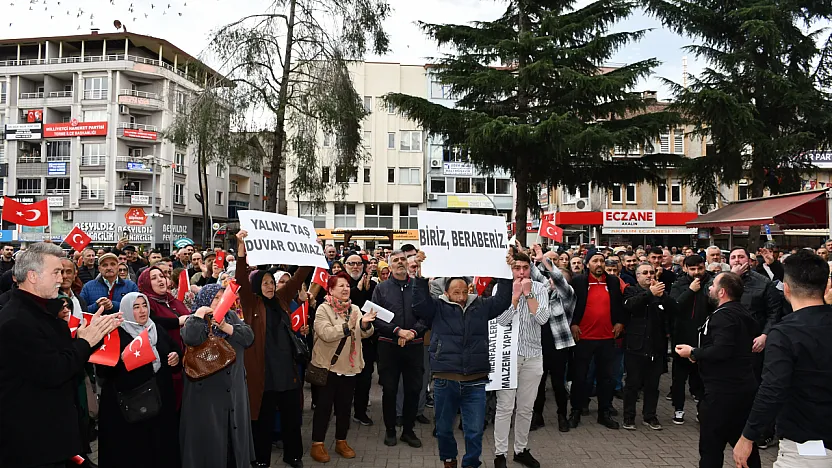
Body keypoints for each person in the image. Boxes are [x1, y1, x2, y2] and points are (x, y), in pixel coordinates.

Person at [0, 243, 121, 468]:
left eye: (65, 271)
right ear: (32, 276)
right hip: (33, 445)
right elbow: (54, 370)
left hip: (55, 439)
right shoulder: (16, 321)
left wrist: (82, 339)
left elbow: (61, 356)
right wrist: (86, 342)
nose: (61, 278)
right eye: (56, 272)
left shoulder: (44, 311)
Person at [411, 251, 513, 468]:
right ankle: (449, 458)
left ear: (469, 289)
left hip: (475, 380)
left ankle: (471, 463)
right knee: (444, 428)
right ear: (446, 293)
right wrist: (419, 277)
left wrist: (506, 273)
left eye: (463, 291)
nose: (460, 295)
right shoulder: (437, 308)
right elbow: (419, 305)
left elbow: (503, 301)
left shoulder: (482, 306)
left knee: (474, 430)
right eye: (455, 291)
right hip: (445, 379)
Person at [734, 250, 832, 467]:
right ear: (826, 287)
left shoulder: (784, 333)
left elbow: (772, 389)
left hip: (805, 446)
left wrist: (747, 436)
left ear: (786, 289)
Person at [235, 230, 310, 468]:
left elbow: (299, 276)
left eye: (272, 282)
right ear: (258, 285)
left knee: (290, 417)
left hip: (286, 369)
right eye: (265, 283)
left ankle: (293, 456)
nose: (270, 286)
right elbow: (240, 278)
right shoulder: (250, 302)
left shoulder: (281, 298)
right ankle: (261, 459)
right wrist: (241, 249)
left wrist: (312, 249)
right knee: (263, 419)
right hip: (263, 372)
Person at [675, 272, 761, 468]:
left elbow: (722, 350)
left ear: (722, 292)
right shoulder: (741, 313)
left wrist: (694, 352)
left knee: (711, 449)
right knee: (743, 444)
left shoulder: (724, 317)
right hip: (741, 389)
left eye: (713, 285)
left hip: (722, 393)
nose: (710, 288)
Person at [97, 292, 181, 468]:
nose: (142, 311)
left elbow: (173, 349)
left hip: (159, 402)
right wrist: (121, 360)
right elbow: (103, 371)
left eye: (144, 306)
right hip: (132, 407)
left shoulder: (156, 328)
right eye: (136, 307)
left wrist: (176, 357)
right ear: (126, 310)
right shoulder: (115, 333)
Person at [180, 283, 256, 468]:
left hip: (233, 392)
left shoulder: (230, 317)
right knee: (210, 445)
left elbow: (248, 337)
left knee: (233, 441)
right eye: (215, 298)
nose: (220, 302)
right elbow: (191, 338)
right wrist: (199, 316)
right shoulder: (195, 319)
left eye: (223, 298)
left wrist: (226, 326)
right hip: (205, 395)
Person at [309, 272, 377, 463]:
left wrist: (364, 325)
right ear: (330, 290)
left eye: (347, 285)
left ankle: (341, 441)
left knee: (345, 407)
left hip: (350, 366)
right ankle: (317, 444)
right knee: (324, 408)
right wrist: (348, 326)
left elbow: (365, 334)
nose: (346, 289)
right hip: (327, 366)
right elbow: (326, 333)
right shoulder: (323, 309)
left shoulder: (354, 308)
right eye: (341, 286)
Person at [492, 251, 551, 468]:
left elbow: (543, 319)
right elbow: (500, 322)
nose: (521, 272)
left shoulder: (540, 288)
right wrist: (515, 298)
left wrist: (528, 295)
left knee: (526, 407)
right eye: (517, 268)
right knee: (505, 406)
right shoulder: (502, 288)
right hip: (509, 354)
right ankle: (500, 453)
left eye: (525, 268)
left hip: (534, 354)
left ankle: (520, 449)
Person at [371, 249, 429, 448]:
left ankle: (408, 430)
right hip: (389, 346)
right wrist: (397, 331)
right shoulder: (381, 289)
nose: (400, 262)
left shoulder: (418, 287)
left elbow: (427, 314)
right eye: (395, 260)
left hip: (413, 346)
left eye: (403, 259)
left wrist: (413, 331)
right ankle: (389, 430)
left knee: (413, 389)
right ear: (389, 265)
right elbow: (375, 317)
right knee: (389, 389)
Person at [728, 246, 784, 448]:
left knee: (759, 388)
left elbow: (774, 312)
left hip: (755, 344)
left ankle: (763, 432)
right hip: (729, 344)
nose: (736, 260)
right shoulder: (721, 280)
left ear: (750, 261)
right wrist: (730, 278)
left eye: (740, 256)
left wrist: (765, 335)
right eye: (733, 257)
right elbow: (712, 302)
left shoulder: (763, 283)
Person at [568, 250, 625, 430]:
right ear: (587, 264)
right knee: (580, 378)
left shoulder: (614, 281)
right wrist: (573, 324)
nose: (599, 264)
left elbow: (621, 304)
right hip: (583, 337)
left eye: (601, 261)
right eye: (595, 261)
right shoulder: (578, 282)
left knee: (606, 378)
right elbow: (569, 304)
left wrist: (620, 322)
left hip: (607, 337)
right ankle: (576, 411)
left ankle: (604, 412)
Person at [621, 263, 675, 431]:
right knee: (632, 384)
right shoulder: (631, 291)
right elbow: (630, 306)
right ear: (637, 276)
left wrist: (661, 296)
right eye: (645, 273)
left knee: (653, 385)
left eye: (652, 272)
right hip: (636, 345)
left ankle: (650, 415)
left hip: (656, 347)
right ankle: (629, 417)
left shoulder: (660, 293)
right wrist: (649, 293)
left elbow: (673, 309)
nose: (649, 275)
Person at [531, 259, 575, 433]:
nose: (552, 282)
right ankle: (537, 416)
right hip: (538, 346)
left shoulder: (567, 297)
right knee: (538, 384)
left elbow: (559, 279)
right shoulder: (541, 295)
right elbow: (535, 274)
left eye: (556, 280)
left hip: (559, 347)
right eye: (550, 280)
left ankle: (562, 415)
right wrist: (527, 255)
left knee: (558, 384)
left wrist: (545, 261)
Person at [138, 266, 191, 408]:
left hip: (185, 361)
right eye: (154, 278)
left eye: (161, 276)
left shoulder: (173, 300)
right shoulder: (146, 303)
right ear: (146, 283)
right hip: (165, 365)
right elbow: (153, 321)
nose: (160, 280)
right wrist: (177, 321)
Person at [668, 255, 710, 425]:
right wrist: (691, 290)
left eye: (699, 268)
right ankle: (678, 409)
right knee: (679, 377)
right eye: (692, 269)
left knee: (700, 377)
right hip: (682, 336)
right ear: (685, 268)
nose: (696, 272)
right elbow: (674, 305)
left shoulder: (711, 282)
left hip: (703, 337)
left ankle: (702, 409)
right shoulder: (679, 284)